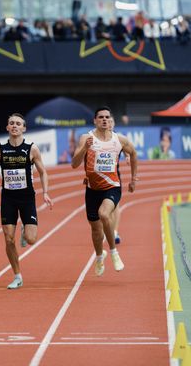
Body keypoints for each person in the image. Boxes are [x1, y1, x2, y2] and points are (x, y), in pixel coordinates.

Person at [0, 113, 53, 289]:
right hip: (8, 198)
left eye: (18, 124)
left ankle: (25, 228)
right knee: (8, 239)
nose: (14, 126)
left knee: (31, 240)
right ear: (7, 128)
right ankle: (17, 275)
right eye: (11, 123)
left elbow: (43, 172)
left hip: (27, 198)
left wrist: (45, 192)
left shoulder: (32, 149)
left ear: (24, 128)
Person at [71, 106, 138, 276]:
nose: (104, 120)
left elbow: (134, 153)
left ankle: (114, 253)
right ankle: (100, 257)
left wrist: (133, 179)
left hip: (112, 187)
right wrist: (85, 148)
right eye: (100, 117)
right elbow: (74, 164)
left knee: (104, 214)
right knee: (95, 230)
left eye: (107, 117)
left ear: (111, 120)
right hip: (92, 189)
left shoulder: (119, 140)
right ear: (95, 120)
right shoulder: (86, 138)